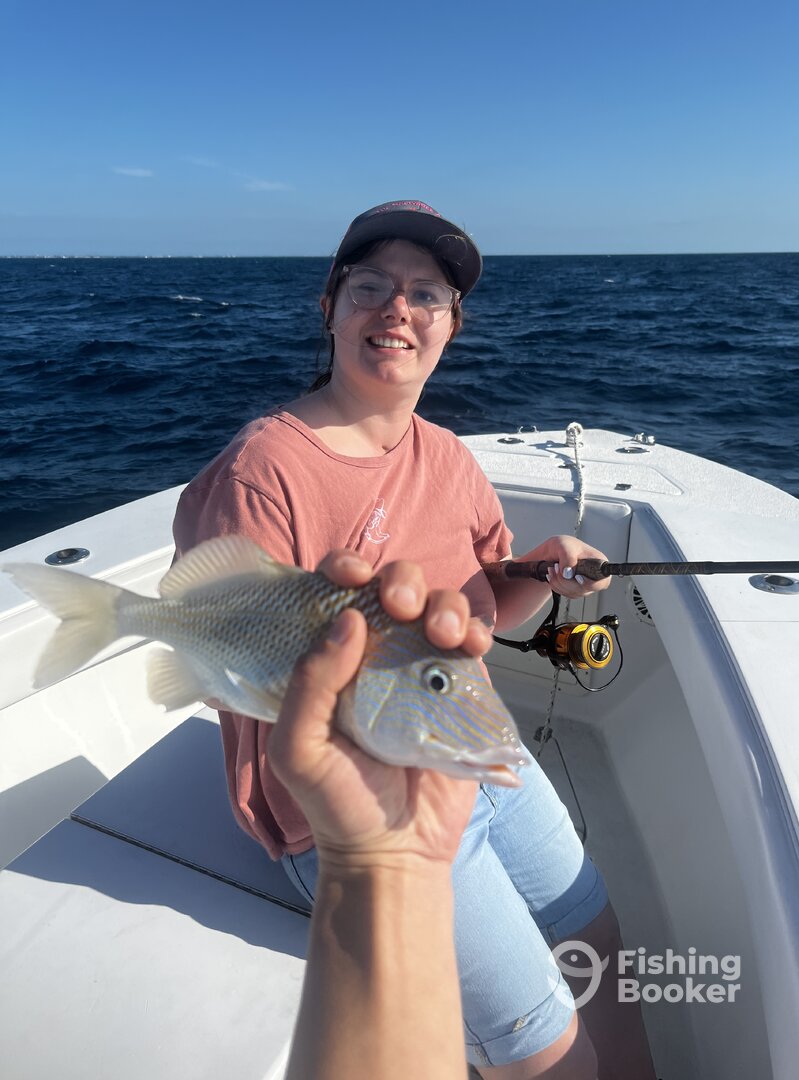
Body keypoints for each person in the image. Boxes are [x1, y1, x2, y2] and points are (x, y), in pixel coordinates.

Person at [173, 200, 655, 1079]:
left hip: (475, 746)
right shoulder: (263, 471)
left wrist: (540, 572)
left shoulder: (449, 457)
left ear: (451, 327)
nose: (397, 308)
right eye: (371, 286)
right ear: (330, 306)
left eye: (426, 294)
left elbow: (483, 611)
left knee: (600, 943)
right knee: (551, 1054)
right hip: (356, 807)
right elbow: (222, 659)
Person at [272, 552, 481, 1080]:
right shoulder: (255, 497)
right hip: (388, 777)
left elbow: (490, 584)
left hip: (451, 763)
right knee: (558, 1053)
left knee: (595, 928)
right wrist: (385, 858)